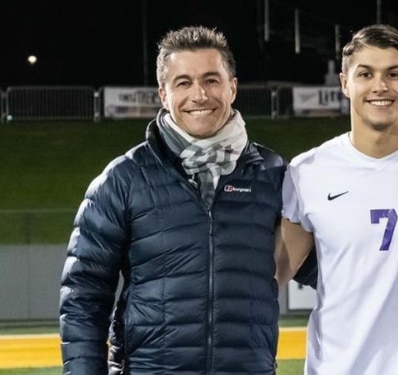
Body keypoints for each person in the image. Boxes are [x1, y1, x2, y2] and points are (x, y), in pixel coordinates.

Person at [59, 26, 287, 374]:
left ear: (233, 87)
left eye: (212, 80)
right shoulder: (124, 178)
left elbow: (331, 266)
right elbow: (83, 297)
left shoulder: (273, 174)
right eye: (183, 83)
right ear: (163, 94)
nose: (199, 95)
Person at [276, 24, 398, 375]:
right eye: (366, 74)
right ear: (345, 83)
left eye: (393, 74)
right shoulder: (307, 171)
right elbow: (273, 273)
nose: (381, 86)